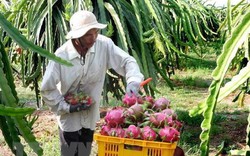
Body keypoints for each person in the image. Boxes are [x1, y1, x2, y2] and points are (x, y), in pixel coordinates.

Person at [40, 10, 144, 156]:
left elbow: (127, 61)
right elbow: (47, 88)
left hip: (90, 113)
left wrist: (133, 80)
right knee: (70, 152)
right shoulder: (61, 56)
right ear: (77, 37)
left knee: (84, 152)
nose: (94, 37)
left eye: (95, 32)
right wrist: (66, 107)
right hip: (68, 116)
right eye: (89, 34)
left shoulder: (104, 45)